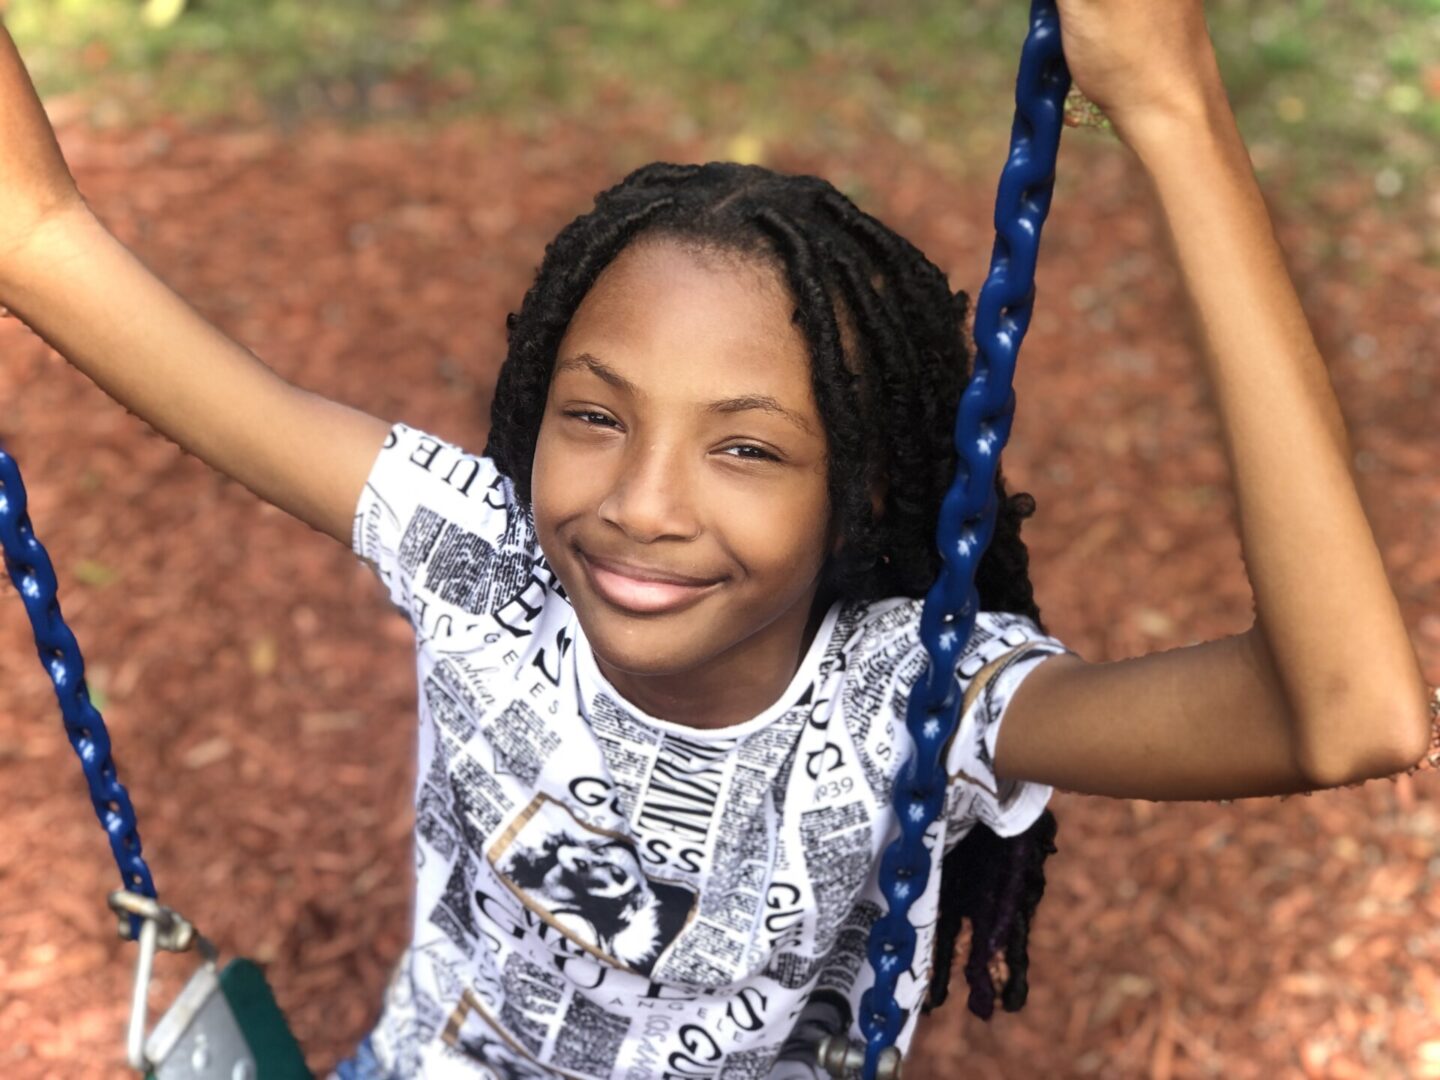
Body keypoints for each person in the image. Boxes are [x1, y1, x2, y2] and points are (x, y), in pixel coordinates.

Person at [0, 2, 1432, 1077]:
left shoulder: (912, 698)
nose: (642, 504)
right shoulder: (477, 547)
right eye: (595, 417)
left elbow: (1344, 717)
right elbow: (35, 231)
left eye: (748, 447)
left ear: (866, 496)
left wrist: (1172, 105)